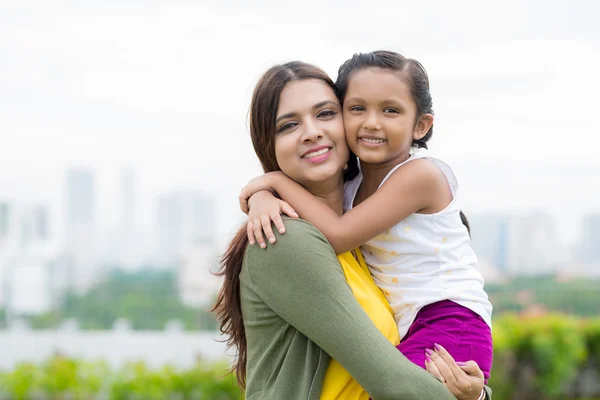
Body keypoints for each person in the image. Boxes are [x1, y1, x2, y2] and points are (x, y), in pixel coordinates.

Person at [214, 60, 490, 399]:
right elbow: (394, 383)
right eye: (288, 126)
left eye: (325, 114)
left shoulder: (363, 235)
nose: (311, 131)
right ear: (267, 145)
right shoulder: (285, 239)